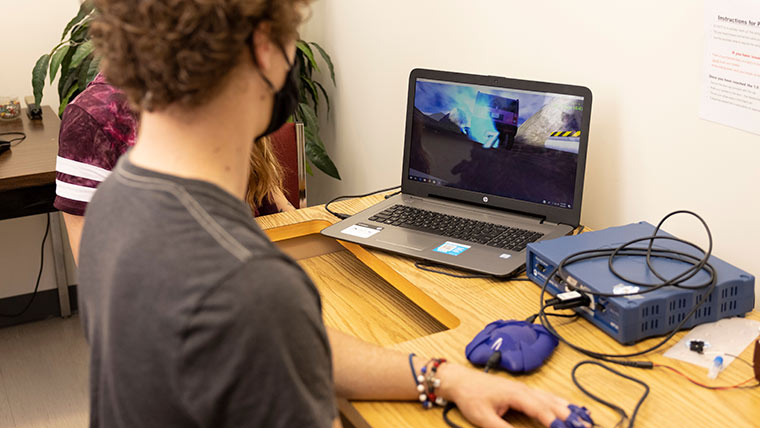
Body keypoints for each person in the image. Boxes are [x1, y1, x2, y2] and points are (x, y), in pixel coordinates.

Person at [79, 1, 584, 427]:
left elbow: (299, 348)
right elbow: (269, 327)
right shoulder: (248, 288)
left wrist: (444, 377)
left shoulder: (117, 202)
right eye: (291, 37)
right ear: (262, 47)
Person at [54, 75, 293, 264]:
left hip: (260, 266)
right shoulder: (93, 116)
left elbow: (267, 193)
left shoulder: (223, 80)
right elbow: (95, 268)